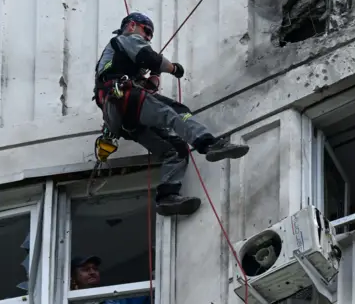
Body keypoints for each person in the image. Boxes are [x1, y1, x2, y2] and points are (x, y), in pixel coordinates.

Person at [93, 12, 249, 217]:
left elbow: (148, 87)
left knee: (175, 149)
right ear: (132, 25)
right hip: (125, 99)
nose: (148, 37)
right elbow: (149, 57)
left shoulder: (118, 60)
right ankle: (208, 144)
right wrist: (173, 68)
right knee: (176, 112)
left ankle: (167, 197)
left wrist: (154, 75)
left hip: (123, 117)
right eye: (146, 31)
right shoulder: (126, 39)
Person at [70, 256, 150, 304]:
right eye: (86, 269)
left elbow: (148, 298)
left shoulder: (115, 298)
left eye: (95, 269)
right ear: (73, 276)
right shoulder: (66, 300)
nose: (92, 272)